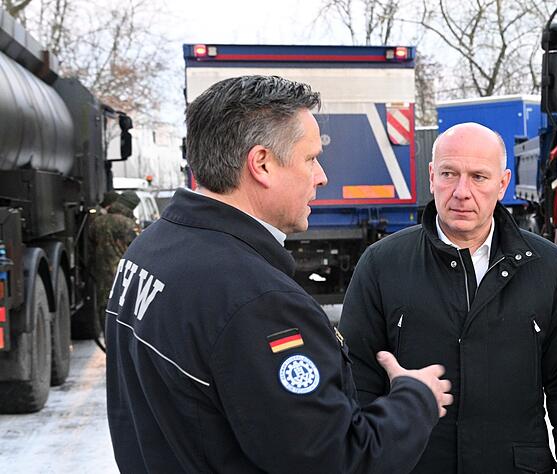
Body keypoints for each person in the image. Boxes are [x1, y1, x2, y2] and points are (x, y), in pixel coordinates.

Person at [105, 75, 453, 473]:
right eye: (310, 158)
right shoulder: (258, 301)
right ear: (262, 164)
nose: (321, 176)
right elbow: (338, 461)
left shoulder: (149, 249)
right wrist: (416, 399)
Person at [339, 122, 557, 473]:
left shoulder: (547, 266)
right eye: (449, 174)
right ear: (432, 176)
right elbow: (356, 385)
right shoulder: (382, 264)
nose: (462, 191)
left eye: (479, 177)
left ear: (503, 183)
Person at [89, 190, 140, 330]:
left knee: (105, 308)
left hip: (102, 275)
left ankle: (108, 342)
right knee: (126, 310)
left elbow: (90, 244)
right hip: (125, 276)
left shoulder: (97, 222)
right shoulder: (129, 224)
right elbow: (139, 250)